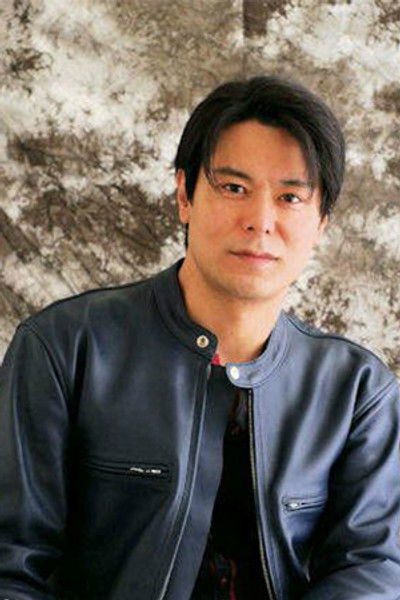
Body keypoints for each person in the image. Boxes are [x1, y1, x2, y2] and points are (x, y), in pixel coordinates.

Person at [0, 75, 399, 600]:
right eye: (234, 188)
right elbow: (12, 564)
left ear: (322, 221)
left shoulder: (358, 390)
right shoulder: (62, 349)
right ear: (184, 195)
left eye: (290, 197)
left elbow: (373, 566)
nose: (260, 221)